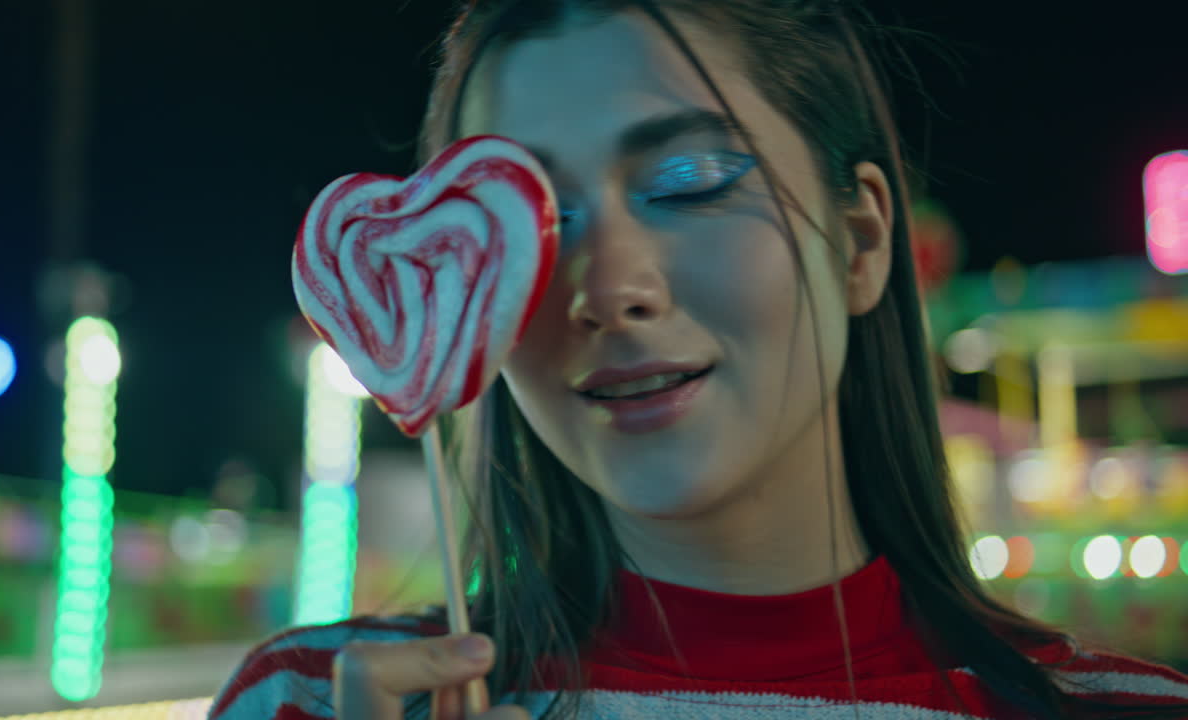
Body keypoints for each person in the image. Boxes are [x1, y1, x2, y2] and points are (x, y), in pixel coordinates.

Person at [211, 1, 1188, 718]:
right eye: (534, 222)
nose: (607, 288)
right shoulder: (312, 703)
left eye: (686, 181)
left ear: (858, 242)